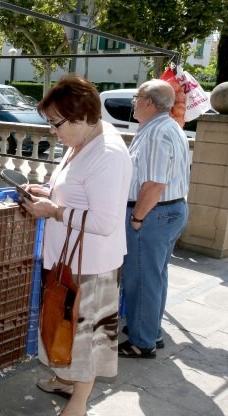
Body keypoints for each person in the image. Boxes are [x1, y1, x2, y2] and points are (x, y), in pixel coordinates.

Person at [21, 75, 132, 416]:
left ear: (82, 116)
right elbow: (76, 190)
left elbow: (104, 221)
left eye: (56, 123)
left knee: (86, 337)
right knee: (65, 327)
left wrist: (54, 210)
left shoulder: (108, 153)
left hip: (92, 266)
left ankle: (79, 404)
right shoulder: (81, 140)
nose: (53, 131)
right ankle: (65, 380)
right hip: (71, 259)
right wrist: (48, 191)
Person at [118, 79, 189, 359]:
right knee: (155, 275)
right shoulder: (165, 127)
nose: (134, 102)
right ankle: (149, 329)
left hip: (153, 214)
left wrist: (136, 218)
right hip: (168, 212)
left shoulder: (158, 132)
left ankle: (142, 342)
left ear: (148, 103)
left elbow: (155, 184)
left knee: (142, 278)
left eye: (137, 98)